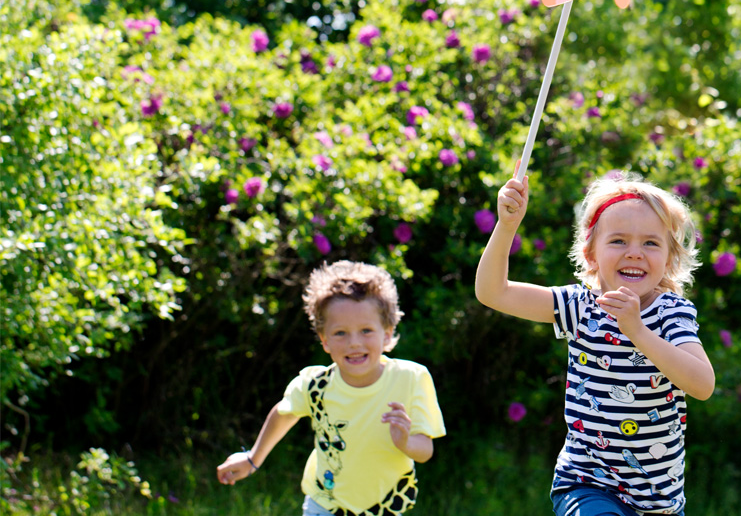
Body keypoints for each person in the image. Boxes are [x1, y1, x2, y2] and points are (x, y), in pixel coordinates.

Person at [476, 167, 714, 516]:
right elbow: (492, 292)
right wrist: (507, 226)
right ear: (591, 254)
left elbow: (703, 384)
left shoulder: (671, 313)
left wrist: (637, 330)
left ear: (668, 259)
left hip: (658, 502)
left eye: (650, 243)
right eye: (618, 241)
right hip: (586, 483)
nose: (634, 252)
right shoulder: (579, 306)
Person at [217, 260, 445, 516]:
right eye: (340, 333)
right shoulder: (315, 385)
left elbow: (425, 452)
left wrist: (404, 442)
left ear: (387, 334)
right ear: (324, 340)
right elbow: (284, 414)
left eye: (366, 330)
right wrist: (252, 459)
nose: (354, 343)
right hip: (324, 505)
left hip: (384, 506)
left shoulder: (410, 378)